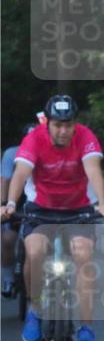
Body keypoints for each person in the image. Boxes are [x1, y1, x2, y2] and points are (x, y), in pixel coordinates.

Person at [0, 96, 104, 341]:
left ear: (74, 123)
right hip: (41, 209)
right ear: (48, 124)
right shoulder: (34, 139)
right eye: (57, 125)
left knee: (83, 256)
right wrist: (10, 203)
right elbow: (20, 172)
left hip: (77, 209)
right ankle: (35, 309)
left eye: (68, 125)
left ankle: (86, 328)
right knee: (34, 252)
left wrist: (103, 203)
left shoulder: (85, 136)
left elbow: (93, 169)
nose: (63, 131)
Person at [0, 124, 35, 298]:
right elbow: (5, 180)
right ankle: (8, 278)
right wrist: (4, 204)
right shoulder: (11, 153)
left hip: (38, 199)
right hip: (17, 199)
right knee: (7, 239)